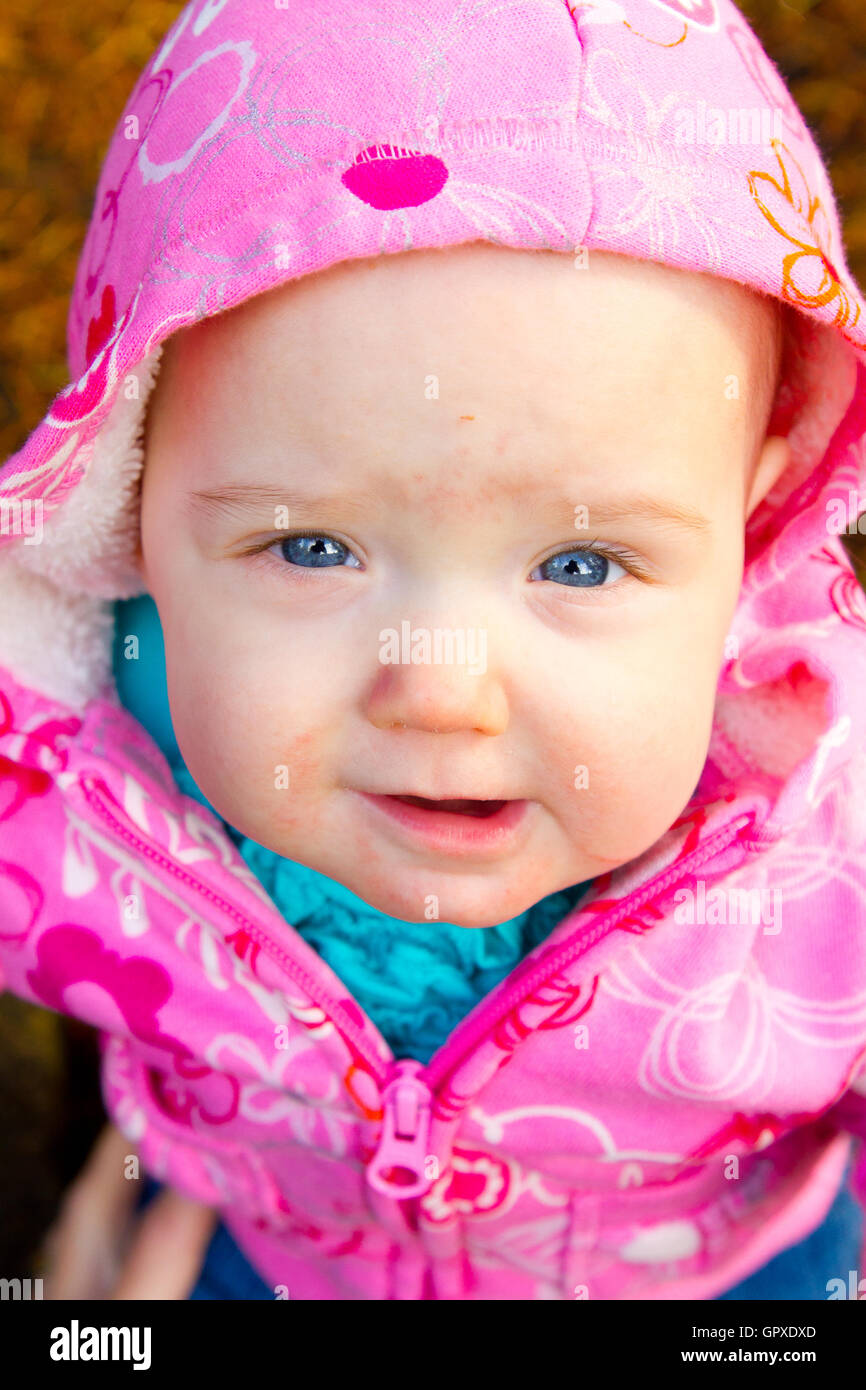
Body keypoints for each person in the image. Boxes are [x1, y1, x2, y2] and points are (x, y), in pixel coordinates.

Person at [2, 0, 866, 1301]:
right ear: (127, 508)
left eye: (578, 563)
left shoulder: (828, 845)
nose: (441, 687)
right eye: (308, 548)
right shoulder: (78, 778)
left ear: (748, 516)